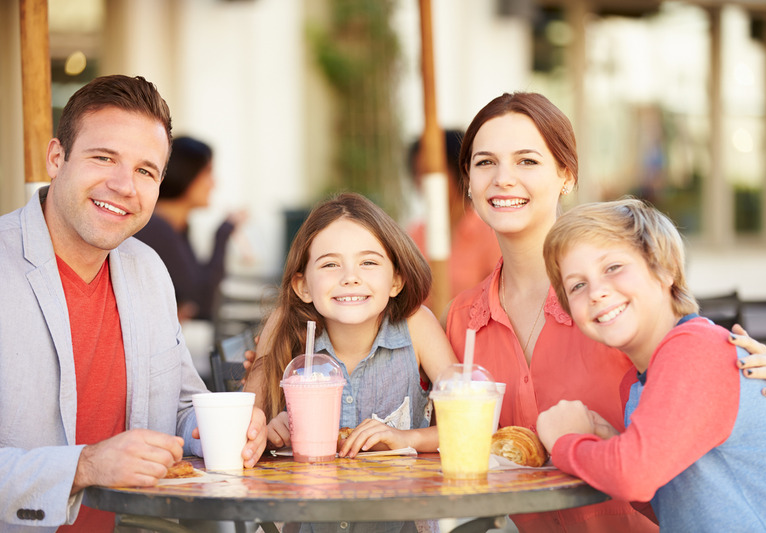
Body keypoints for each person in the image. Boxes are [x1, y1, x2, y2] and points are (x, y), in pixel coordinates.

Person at [444, 92, 766, 533]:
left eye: (527, 160)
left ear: (566, 174)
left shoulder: (624, 313)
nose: (503, 178)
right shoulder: (463, 319)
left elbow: (701, 397)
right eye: (485, 162)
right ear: (469, 182)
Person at [0, 74, 267, 533]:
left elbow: (182, 407)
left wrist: (219, 428)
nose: (125, 185)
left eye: (145, 171)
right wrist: (84, 466)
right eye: (104, 158)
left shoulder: (147, 269)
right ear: (56, 158)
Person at [537, 198, 766, 532]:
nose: (596, 292)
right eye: (577, 285)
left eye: (613, 267)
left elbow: (634, 477)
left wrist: (565, 441)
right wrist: (609, 442)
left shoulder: (696, 349)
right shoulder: (636, 383)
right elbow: (667, 499)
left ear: (664, 269)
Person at [245, 192, 457, 533]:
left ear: (396, 280)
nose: (350, 277)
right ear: (302, 285)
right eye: (330, 264)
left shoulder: (416, 326)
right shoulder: (285, 324)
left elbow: (469, 424)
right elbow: (246, 427)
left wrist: (407, 439)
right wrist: (269, 433)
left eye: (369, 262)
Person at [135, 135, 246, 322]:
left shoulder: (176, 225)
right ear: (186, 173)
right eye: (208, 172)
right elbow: (204, 302)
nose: (213, 184)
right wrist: (223, 233)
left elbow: (197, 287)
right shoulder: (156, 228)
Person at [406, 129, 501, 300]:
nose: (423, 181)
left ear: (459, 171)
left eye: (431, 172)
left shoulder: (490, 235)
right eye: (418, 173)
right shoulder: (414, 236)